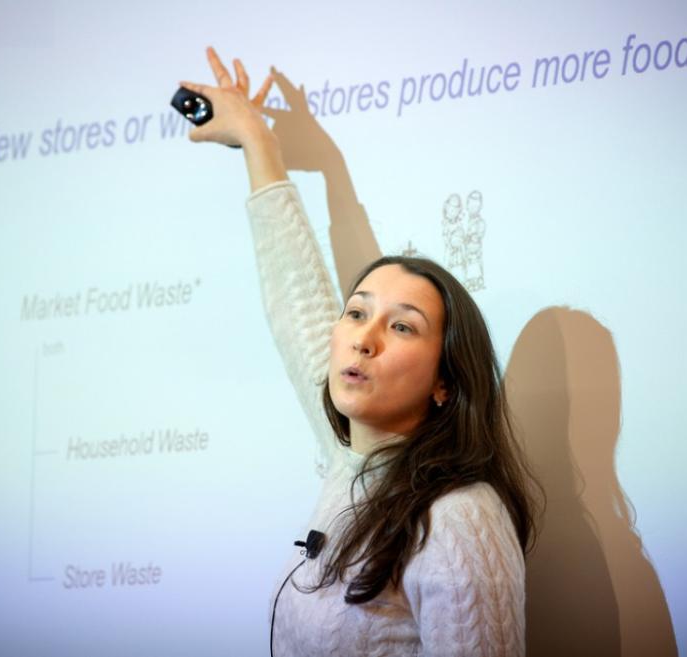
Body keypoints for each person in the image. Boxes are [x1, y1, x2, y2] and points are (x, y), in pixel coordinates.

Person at [181, 47, 538, 657]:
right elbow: (296, 301)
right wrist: (256, 140)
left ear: (445, 382)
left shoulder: (459, 517)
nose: (362, 338)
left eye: (402, 328)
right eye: (355, 312)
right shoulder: (352, 468)